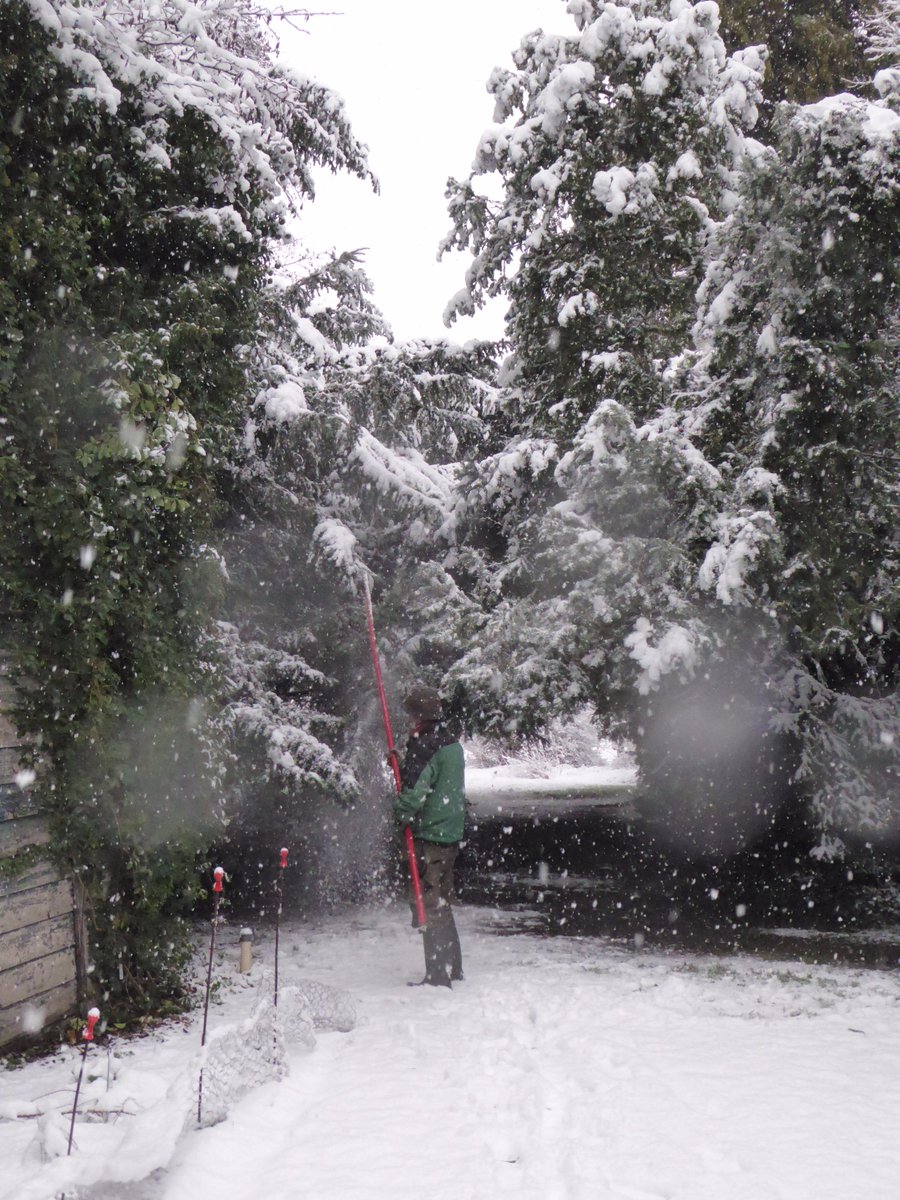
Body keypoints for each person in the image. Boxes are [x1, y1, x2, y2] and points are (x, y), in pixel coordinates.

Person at [393, 685, 465, 987]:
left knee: (428, 903)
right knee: (442, 902)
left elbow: (415, 794)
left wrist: (399, 814)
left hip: (431, 836)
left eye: (410, 714)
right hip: (450, 833)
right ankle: (454, 966)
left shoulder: (426, 746)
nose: (408, 720)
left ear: (418, 715)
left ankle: (437, 973)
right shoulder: (450, 743)